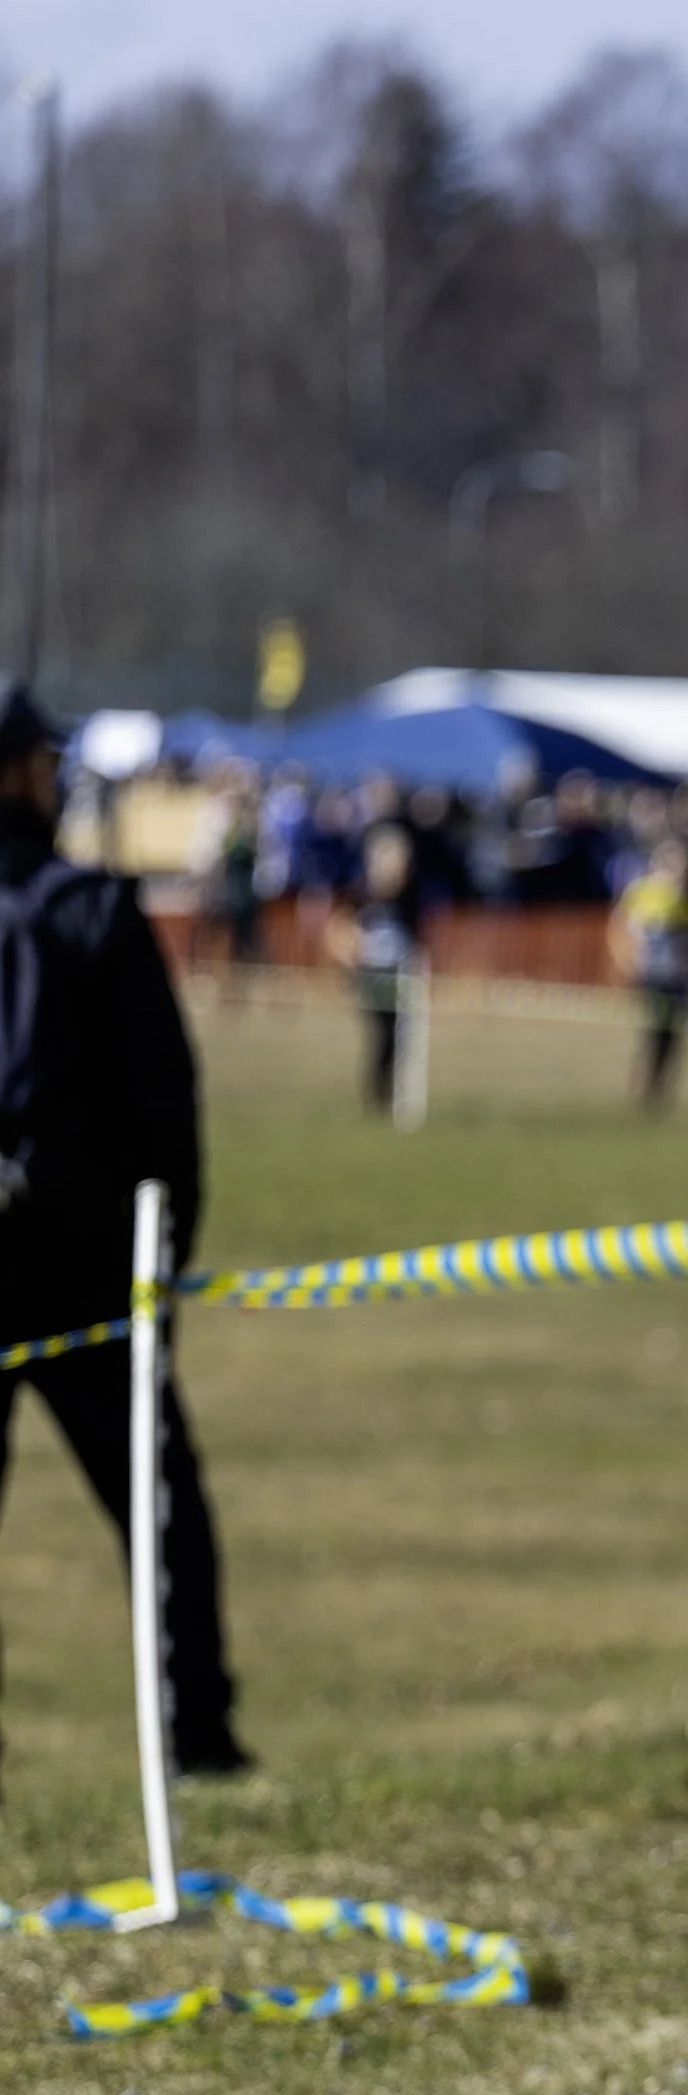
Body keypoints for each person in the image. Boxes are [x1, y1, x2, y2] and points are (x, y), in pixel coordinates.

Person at [0, 681, 248, 1779]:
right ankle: (196, 1729)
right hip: (84, 1264)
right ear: (22, 773)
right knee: (158, 1503)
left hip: (63, 1257)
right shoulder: (91, 910)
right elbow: (164, 1103)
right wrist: (165, 1258)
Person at [327, 822, 423, 1114]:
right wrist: (350, 956)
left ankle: (392, 1091)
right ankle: (377, 1093)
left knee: (398, 1034)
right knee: (381, 1033)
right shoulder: (361, 894)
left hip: (399, 974)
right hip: (371, 975)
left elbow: (417, 939)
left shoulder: (409, 898)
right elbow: (338, 929)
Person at [610, 833, 688, 1110]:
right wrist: (627, 963)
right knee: (654, 1030)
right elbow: (621, 928)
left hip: (680, 978)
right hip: (651, 975)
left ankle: (658, 1084)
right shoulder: (642, 892)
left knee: (672, 1035)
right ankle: (646, 1080)